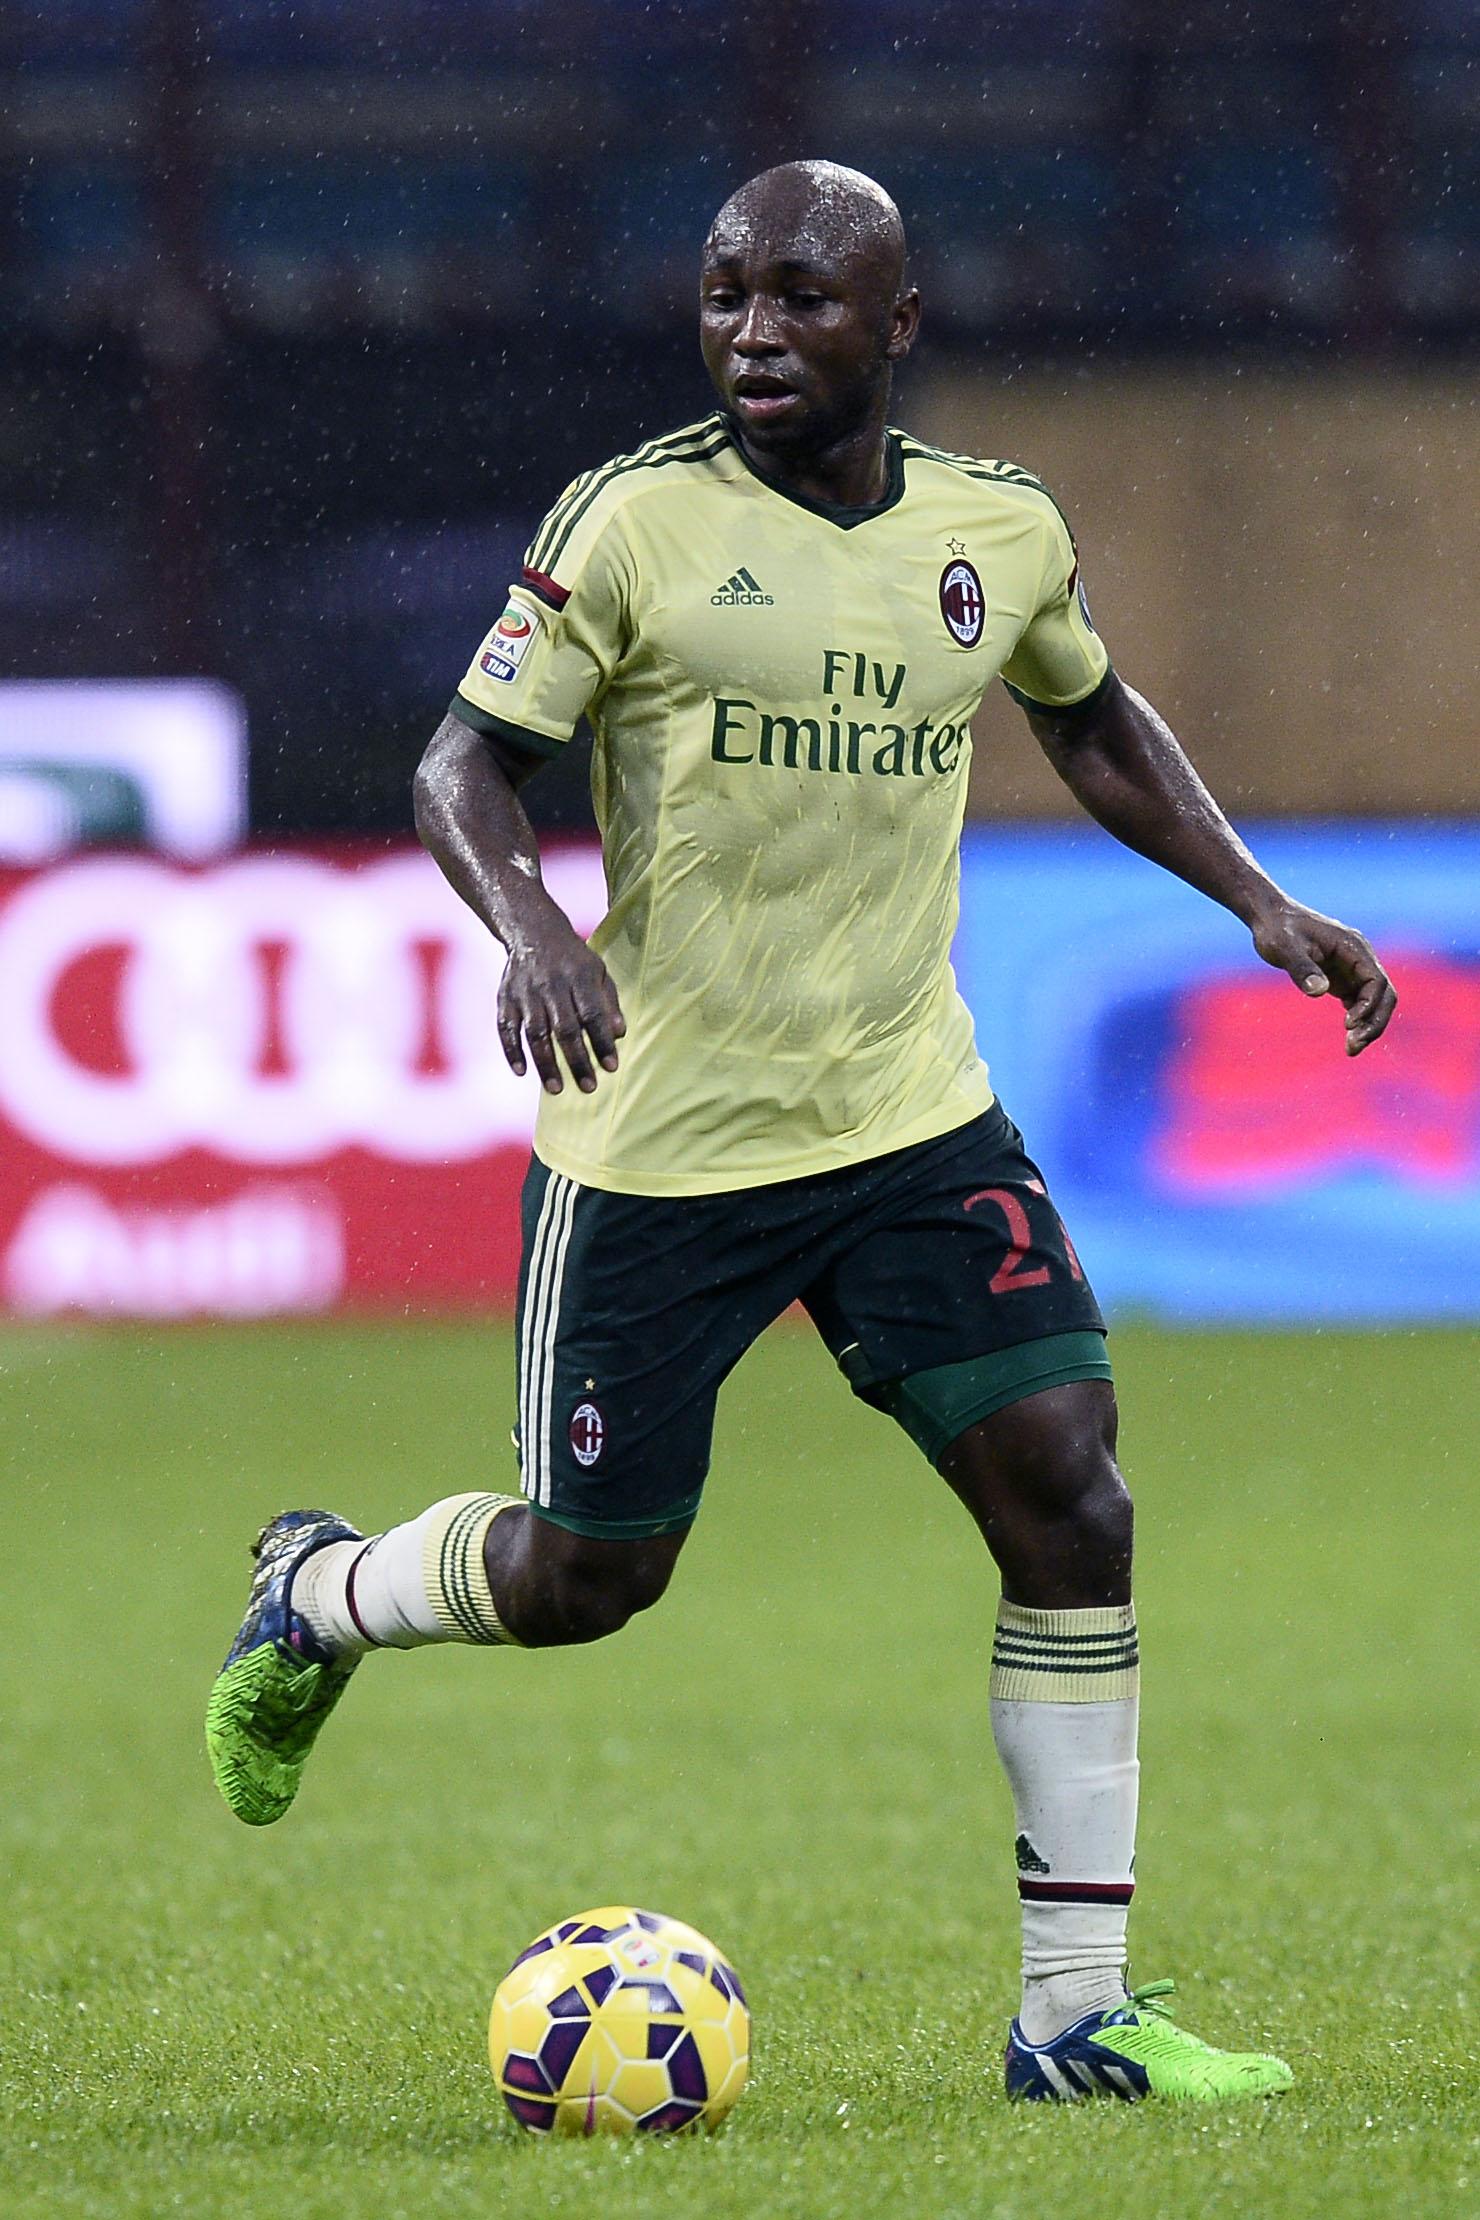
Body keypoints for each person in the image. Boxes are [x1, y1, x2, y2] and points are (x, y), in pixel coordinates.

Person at [207, 162, 1395, 2104]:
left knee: (1072, 1502)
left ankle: (1072, 2020)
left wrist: (1255, 900)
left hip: (908, 1117)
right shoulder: (633, 523)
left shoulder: (993, 528)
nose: (754, 333)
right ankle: (321, 1593)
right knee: (590, 1578)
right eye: (725, 297)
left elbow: (1087, 715)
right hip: (664, 1144)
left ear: (896, 324)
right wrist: (534, 930)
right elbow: (461, 762)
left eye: (801, 299)